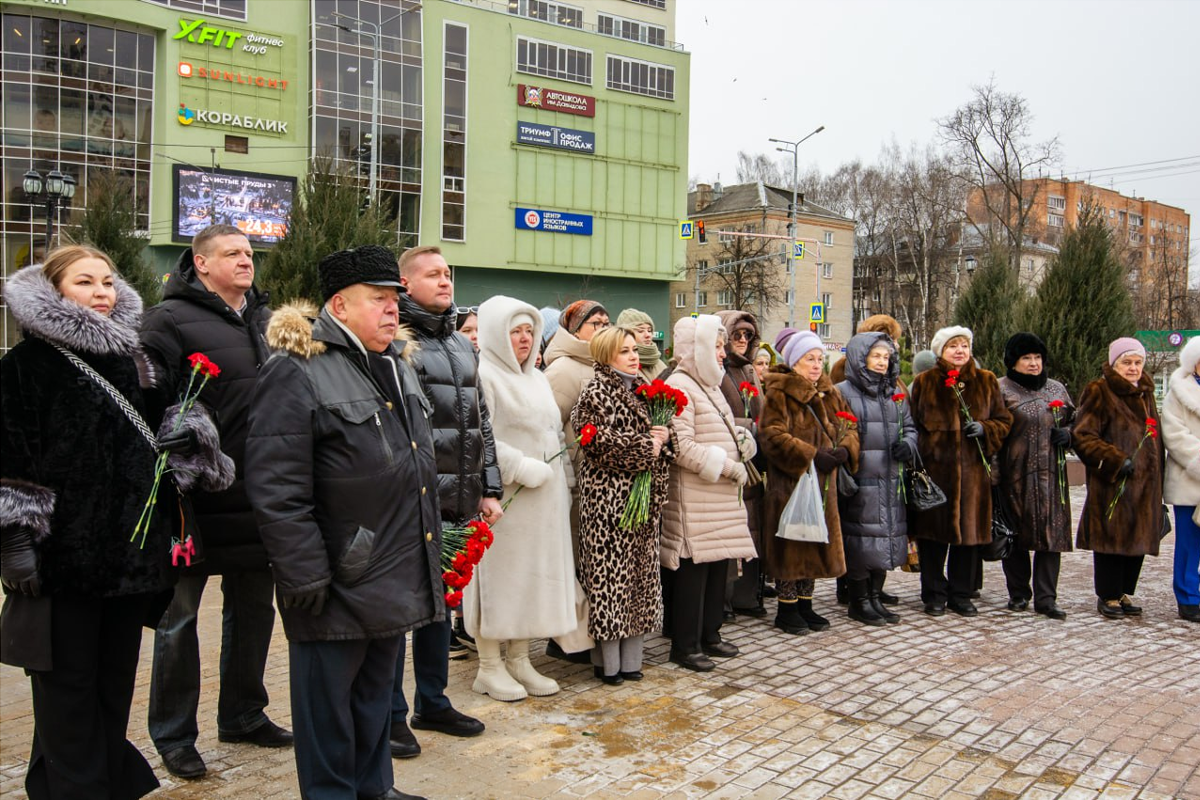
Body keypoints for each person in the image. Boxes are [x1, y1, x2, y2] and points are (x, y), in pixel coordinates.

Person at [2, 246, 231, 799]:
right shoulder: (24, 367)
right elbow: (9, 457)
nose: (103, 292)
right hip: (63, 563)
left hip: (132, 561)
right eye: (86, 282)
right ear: (54, 293)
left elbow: (175, 426)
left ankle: (84, 782)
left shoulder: (138, 363)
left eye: (108, 281)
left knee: (111, 689)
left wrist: (188, 433)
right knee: (67, 692)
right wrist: (14, 541)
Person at [245, 246, 440, 800]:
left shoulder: (397, 364)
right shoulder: (297, 370)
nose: (391, 311)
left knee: (376, 696)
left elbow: (413, 465)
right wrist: (303, 571)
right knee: (327, 710)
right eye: (377, 300)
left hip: (394, 565)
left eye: (394, 301)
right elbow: (276, 487)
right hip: (334, 577)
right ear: (339, 305)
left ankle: (374, 788)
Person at [140, 223, 288, 780]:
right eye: (232, 253)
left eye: (250, 253)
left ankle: (244, 714)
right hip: (192, 498)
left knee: (253, 611)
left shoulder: (266, 321)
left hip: (261, 495)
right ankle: (175, 735)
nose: (246, 261)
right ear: (200, 264)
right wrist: (176, 440)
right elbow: (145, 399)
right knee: (178, 621)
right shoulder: (168, 321)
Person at [390, 245, 497, 755]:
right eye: (433, 274)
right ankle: (389, 715)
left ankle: (431, 700)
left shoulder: (459, 343)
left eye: (448, 273)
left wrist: (489, 487)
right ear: (405, 284)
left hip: (459, 496)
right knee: (399, 610)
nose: (445, 281)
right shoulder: (397, 341)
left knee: (439, 603)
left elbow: (482, 422)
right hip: (414, 496)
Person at [464, 295, 577, 700]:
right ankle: (490, 666)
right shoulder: (484, 376)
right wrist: (520, 468)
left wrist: (563, 482)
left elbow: (552, 433)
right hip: (504, 500)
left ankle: (518, 659)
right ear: (496, 333)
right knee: (499, 580)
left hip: (541, 504)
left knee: (528, 581)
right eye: (515, 330)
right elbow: (478, 438)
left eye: (529, 330)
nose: (525, 338)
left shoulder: (536, 378)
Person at [571, 326, 673, 684]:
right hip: (608, 507)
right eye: (624, 351)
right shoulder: (596, 391)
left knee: (637, 582)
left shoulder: (641, 391)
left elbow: (660, 441)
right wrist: (648, 445)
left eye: (634, 350)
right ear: (605, 356)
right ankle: (607, 664)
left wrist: (664, 438)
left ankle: (632, 662)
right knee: (609, 582)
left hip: (640, 506)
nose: (633, 356)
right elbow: (594, 439)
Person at [660, 315, 756, 671]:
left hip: (717, 499)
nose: (722, 353)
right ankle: (685, 645)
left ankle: (709, 634)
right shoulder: (682, 385)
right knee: (693, 573)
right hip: (695, 497)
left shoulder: (711, 384)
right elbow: (681, 446)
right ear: (696, 349)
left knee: (718, 567)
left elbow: (721, 429)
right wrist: (727, 465)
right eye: (715, 347)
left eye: (722, 346)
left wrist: (743, 442)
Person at [760, 331, 860, 635]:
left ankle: (806, 603)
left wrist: (846, 448)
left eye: (819, 359)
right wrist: (811, 455)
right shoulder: (780, 392)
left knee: (816, 538)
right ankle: (786, 608)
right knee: (792, 540)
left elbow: (849, 424)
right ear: (794, 362)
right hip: (792, 481)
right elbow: (771, 435)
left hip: (823, 481)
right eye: (809, 359)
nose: (816, 365)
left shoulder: (830, 392)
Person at [908, 326, 1012, 617]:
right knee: (932, 540)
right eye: (953, 346)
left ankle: (961, 594)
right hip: (935, 476)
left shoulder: (987, 381)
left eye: (964, 346)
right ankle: (933, 594)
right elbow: (912, 425)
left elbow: (1004, 421)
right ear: (940, 351)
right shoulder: (924, 382)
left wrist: (986, 429)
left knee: (967, 540)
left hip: (972, 478)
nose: (959, 351)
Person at [1073, 338, 1165, 619]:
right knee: (1111, 538)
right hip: (1114, 481)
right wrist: (1114, 460)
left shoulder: (1146, 393)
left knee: (1138, 538)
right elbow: (1083, 435)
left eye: (1138, 362)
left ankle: (1124, 591)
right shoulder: (1099, 390)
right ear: (1114, 364)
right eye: (1127, 362)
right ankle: (1108, 594)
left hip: (1146, 482)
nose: (1133, 368)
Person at [542, 299, 610, 662]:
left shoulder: (603, 364)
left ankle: (586, 636)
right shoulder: (565, 369)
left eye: (605, 322)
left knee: (591, 562)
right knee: (574, 562)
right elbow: (549, 428)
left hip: (602, 486)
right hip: (575, 483)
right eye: (593, 323)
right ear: (573, 328)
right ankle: (565, 640)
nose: (601, 327)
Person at [835, 332, 916, 625]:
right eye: (876, 356)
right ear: (861, 358)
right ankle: (859, 600)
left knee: (887, 538)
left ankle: (875, 596)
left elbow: (909, 426)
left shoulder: (894, 393)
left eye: (886, 357)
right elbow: (838, 433)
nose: (882, 362)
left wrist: (909, 444)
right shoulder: (843, 391)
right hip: (861, 478)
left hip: (891, 478)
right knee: (860, 540)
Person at [997, 333, 1075, 620]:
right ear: (1014, 362)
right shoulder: (1002, 389)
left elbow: (1077, 421)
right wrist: (994, 472)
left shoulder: (1057, 390)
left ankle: (1046, 598)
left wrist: (1069, 435)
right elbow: (994, 432)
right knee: (1016, 535)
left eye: (1037, 358)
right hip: (1015, 474)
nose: (1033, 364)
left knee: (1050, 535)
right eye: (1026, 358)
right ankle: (1018, 593)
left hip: (1053, 477)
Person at [714, 310, 767, 618]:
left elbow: (762, 408)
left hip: (753, 458)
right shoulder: (718, 370)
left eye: (748, 335)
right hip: (729, 459)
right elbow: (713, 414)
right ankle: (723, 600)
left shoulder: (748, 371)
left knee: (752, 528)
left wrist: (763, 428)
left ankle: (746, 597)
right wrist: (748, 425)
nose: (743, 341)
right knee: (730, 532)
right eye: (737, 335)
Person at [1161, 336, 1200, 623]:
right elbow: (1174, 435)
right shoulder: (1179, 391)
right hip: (1191, 480)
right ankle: (1188, 598)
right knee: (1189, 542)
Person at [616, 307, 667, 381]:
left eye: (649, 330)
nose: (648, 335)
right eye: (640, 331)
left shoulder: (659, 363)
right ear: (626, 334)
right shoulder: (622, 365)